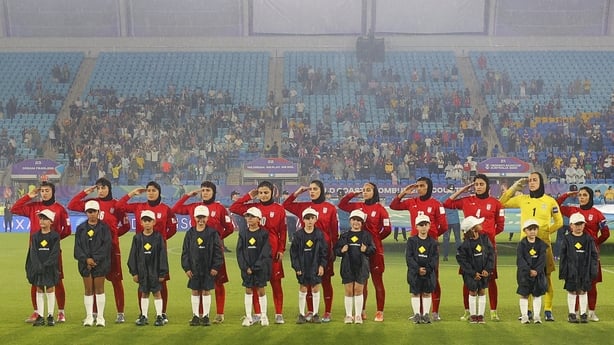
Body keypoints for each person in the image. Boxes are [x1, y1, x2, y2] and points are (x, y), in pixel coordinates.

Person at [499, 172, 563, 321]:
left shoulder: (550, 201)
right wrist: (515, 187)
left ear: (541, 182)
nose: (532, 183)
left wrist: (546, 232)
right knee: (526, 278)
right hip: (525, 247)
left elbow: (559, 222)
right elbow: (501, 203)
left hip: (544, 246)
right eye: (529, 181)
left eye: (535, 180)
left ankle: (548, 310)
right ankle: (527, 311)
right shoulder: (522, 199)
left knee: (546, 278)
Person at [68, 177, 130, 323]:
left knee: (116, 281)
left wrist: (113, 235)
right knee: (95, 281)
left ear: (109, 188)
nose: (101, 191)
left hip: (112, 249)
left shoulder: (116, 204)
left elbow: (126, 225)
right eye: (98, 188)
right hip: (92, 250)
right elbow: (71, 205)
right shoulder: (92, 204)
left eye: (104, 188)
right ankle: (94, 313)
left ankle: (120, 312)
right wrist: (85, 192)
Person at [443, 174, 505, 321]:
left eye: (481, 184)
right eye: (476, 184)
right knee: (468, 279)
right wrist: (463, 190)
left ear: (487, 186)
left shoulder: (496, 204)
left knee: (490, 278)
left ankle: (493, 311)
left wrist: (485, 239)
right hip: (469, 248)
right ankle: (468, 311)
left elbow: (501, 226)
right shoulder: (467, 200)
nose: (478, 186)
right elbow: (447, 203)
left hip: (488, 248)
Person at [172, 181, 234, 324]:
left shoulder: (219, 208)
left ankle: (219, 313)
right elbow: (175, 209)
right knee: (198, 283)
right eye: (203, 190)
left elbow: (229, 228)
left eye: (208, 190)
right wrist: (188, 195)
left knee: (218, 282)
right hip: (196, 254)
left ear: (213, 192)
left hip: (214, 253)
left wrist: (217, 241)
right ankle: (199, 314)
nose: (205, 192)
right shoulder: (194, 207)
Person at [117, 181, 177, 323]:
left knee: (162, 283)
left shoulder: (166, 209)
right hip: (141, 252)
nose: (150, 192)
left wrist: (159, 242)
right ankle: (142, 313)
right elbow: (119, 206)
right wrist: (132, 194)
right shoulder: (139, 207)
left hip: (159, 253)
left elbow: (173, 229)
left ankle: (162, 313)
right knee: (142, 283)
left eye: (153, 190)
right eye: (148, 190)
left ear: (159, 192)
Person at [12, 181, 72, 323]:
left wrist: (54, 241)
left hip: (53, 252)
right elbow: (14, 209)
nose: (44, 193)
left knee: (57, 280)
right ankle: (37, 312)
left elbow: (68, 230)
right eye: (42, 191)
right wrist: (29, 196)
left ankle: (61, 312)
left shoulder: (60, 209)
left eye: (47, 190)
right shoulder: (34, 207)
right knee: (35, 280)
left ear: (53, 192)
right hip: (34, 251)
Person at [389, 177, 448, 320]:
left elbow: (444, 226)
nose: (419, 188)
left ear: (429, 187)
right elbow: (393, 206)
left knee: (433, 278)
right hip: (414, 245)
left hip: (430, 246)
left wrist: (431, 238)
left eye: (422, 186)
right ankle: (418, 312)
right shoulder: (412, 202)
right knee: (416, 277)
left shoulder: (436, 204)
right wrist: (404, 192)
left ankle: (434, 311)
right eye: (418, 186)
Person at [230, 181, 287, 324]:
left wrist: (281, 249)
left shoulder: (279, 209)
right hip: (254, 252)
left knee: (275, 282)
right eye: (260, 193)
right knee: (255, 283)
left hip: (272, 252)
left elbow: (283, 231)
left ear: (272, 192)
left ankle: (278, 313)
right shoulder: (253, 208)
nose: (263, 195)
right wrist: (249, 195)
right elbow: (234, 207)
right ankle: (257, 313)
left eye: (266, 192)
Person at [283, 180, 339, 322]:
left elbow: (334, 231)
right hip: (306, 252)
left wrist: (334, 249)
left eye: (315, 189)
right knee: (307, 281)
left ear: (321, 190)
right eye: (310, 189)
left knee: (325, 281)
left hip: (323, 252)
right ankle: (310, 311)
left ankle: (327, 311)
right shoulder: (304, 206)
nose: (312, 191)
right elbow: (286, 205)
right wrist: (297, 192)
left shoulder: (330, 208)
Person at [338, 182, 391, 321]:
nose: (365, 192)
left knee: (377, 281)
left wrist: (376, 239)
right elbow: (342, 205)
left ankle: (380, 311)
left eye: (368, 190)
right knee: (363, 282)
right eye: (363, 190)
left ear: (375, 192)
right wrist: (352, 194)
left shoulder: (380, 209)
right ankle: (361, 311)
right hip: (359, 252)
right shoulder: (358, 206)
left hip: (375, 251)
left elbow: (387, 229)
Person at [556, 189, 609, 322]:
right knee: (574, 284)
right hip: (574, 254)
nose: (581, 197)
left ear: (590, 197)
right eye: (579, 195)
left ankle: (591, 312)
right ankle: (575, 313)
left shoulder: (598, 214)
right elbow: (556, 205)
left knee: (591, 284)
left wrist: (595, 244)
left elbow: (606, 233)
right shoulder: (573, 210)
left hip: (590, 255)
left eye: (585, 195)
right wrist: (567, 195)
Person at [181, 205, 224, 326]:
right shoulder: (190, 233)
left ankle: (205, 316)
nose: (201, 220)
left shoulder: (212, 233)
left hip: (208, 268)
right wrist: (187, 267)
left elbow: (218, 251)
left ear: (207, 217)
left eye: (203, 217)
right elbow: (185, 252)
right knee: (195, 290)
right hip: (194, 268)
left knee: (206, 291)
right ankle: (195, 315)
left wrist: (216, 267)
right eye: (199, 217)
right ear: (195, 217)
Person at [127, 210, 169, 327]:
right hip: (142, 271)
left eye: (149, 221)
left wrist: (162, 272)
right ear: (141, 222)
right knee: (144, 293)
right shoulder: (137, 238)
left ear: (154, 222)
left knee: (157, 293)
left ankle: (159, 316)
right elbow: (133, 256)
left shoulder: (158, 237)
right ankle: (144, 316)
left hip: (155, 271)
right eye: (144, 221)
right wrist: (134, 272)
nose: (147, 223)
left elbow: (162, 256)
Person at [74, 200, 112, 327]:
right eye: (89, 212)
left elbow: (106, 246)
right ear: (86, 213)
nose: (91, 214)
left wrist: (94, 259)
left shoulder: (104, 228)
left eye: (93, 211)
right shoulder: (80, 229)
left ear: (98, 212)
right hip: (85, 264)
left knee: (100, 289)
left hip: (100, 263)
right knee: (88, 290)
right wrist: (86, 260)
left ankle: (100, 317)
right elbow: (77, 248)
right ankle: (89, 317)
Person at [334, 210, 375, 324]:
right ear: (350, 221)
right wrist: (341, 250)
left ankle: (357, 315)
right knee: (348, 291)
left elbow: (373, 249)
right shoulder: (345, 235)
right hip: (347, 266)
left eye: (358, 220)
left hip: (361, 266)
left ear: (362, 223)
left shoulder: (366, 235)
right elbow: (336, 250)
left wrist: (366, 249)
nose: (356, 222)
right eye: (354, 220)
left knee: (358, 290)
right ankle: (348, 315)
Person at [559, 213, 599, 323]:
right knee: (572, 291)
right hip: (571, 271)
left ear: (584, 225)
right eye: (576, 224)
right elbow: (563, 256)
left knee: (583, 291)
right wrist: (563, 272)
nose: (579, 227)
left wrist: (593, 271)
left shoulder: (588, 239)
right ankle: (572, 313)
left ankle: (583, 314)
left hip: (585, 271)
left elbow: (594, 255)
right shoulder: (567, 239)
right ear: (571, 225)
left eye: (581, 224)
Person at [290, 208, 328, 324]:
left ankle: (315, 314)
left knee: (315, 288)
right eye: (307, 218)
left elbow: (324, 252)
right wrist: (297, 267)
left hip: (315, 265)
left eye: (312, 218)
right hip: (303, 266)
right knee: (303, 288)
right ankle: (301, 314)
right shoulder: (298, 235)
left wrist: (322, 265)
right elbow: (294, 253)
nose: (310, 221)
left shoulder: (319, 234)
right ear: (303, 220)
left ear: (316, 219)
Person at [236, 207, 272, 327]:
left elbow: (265, 252)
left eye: (252, 216)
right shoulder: (243, 233)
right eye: (247, 216)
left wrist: (255, 267)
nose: (249, 219)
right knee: (248, 290)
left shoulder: (264, 233)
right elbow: (239, 252)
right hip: (246, 269)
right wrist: (245, 267)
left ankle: (264, 316)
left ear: (258, 219)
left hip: (260, 268)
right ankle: (248, 317)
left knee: (261, 290)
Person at [456, 216, 494, 324]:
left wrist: (487, 269)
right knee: (472, 291)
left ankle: (480, 316)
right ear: (472, 229)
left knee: (482, 291)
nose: (481, 224)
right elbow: (462, 261)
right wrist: (473, 273)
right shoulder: (464, 245)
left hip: (483, 272)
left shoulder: (484, 239)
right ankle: (473, 315)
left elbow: (491, 254)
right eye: (478, 224)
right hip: (471, 274)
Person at [25, 209, 60, 326]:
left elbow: (55, 253)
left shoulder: (55, 236)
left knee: (50, 288)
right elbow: (33, 252)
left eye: (45, 218)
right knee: (39, 289)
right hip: (38, 268)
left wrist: (46, 265)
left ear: (51, 221)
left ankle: (50, 315)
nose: (42, 221)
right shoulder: (35, 236)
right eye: (40, 218)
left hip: (50, 268)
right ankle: (40, 315)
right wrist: (38, 266)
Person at [405, 214, 438, 324]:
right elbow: (409, 257)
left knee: (427, 293)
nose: (423, 227)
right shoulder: (411, 241)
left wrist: (427, 269)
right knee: (415, 293)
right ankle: (417, 314)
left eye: (425, 224)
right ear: (416, 227)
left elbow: (434, 258)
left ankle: (426, 314)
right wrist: (417, 269)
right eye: (421, 225)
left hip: (428, 273)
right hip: (415, 273)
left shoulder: (433, 242)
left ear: (429, 226)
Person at [516, 219, 548, 324]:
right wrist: (529, 270)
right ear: (525, 230)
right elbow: (520, 260)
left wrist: (537, 271)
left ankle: (537, 316)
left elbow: (542, 260)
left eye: (534, 229)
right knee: (524, 294)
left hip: (538, 275)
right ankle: (524, 316)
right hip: (524, 275)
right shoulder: (521, 244)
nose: (532, 231)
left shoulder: (541, 244)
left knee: (537, 294)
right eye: (530, 229)